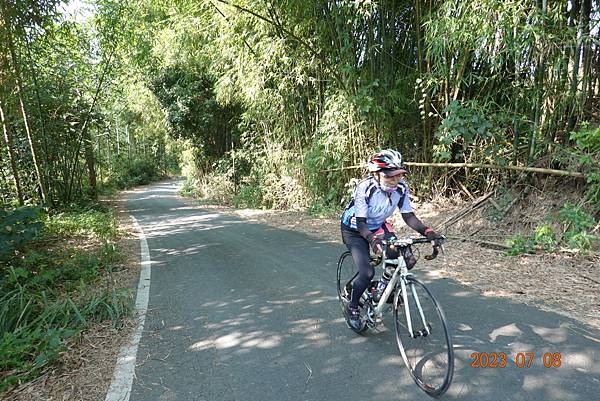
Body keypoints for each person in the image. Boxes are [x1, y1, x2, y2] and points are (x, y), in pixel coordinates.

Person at [340, 149, 442, 331]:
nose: (395, 181)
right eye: (390, 177)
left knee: (406, 259)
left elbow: (409, 216)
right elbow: (362, 223)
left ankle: (382, 288)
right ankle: (353, 307)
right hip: (355, 229)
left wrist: (428, 232)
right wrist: (372, 240)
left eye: (399, 176)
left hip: (378, 225)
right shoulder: (365, 188)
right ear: (376, 174)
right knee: (367, 273)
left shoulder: (401, 189)